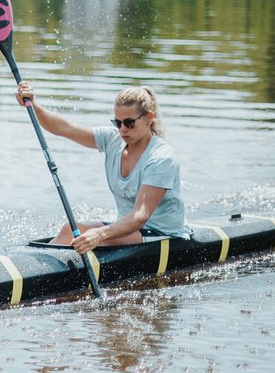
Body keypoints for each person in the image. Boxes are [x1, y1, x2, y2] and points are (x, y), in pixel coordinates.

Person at [15, 81, 189, 254]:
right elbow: (64, 128)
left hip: (163, 235)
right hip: (128, 230)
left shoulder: (160, 158)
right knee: (70, 229)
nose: (122, 130)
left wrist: (99, 235)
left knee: (96, 240)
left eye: (129, 123)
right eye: (117, 122)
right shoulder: (112, 140)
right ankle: (38, 262)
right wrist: (34, 106)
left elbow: (139, 216)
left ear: (149, 118)